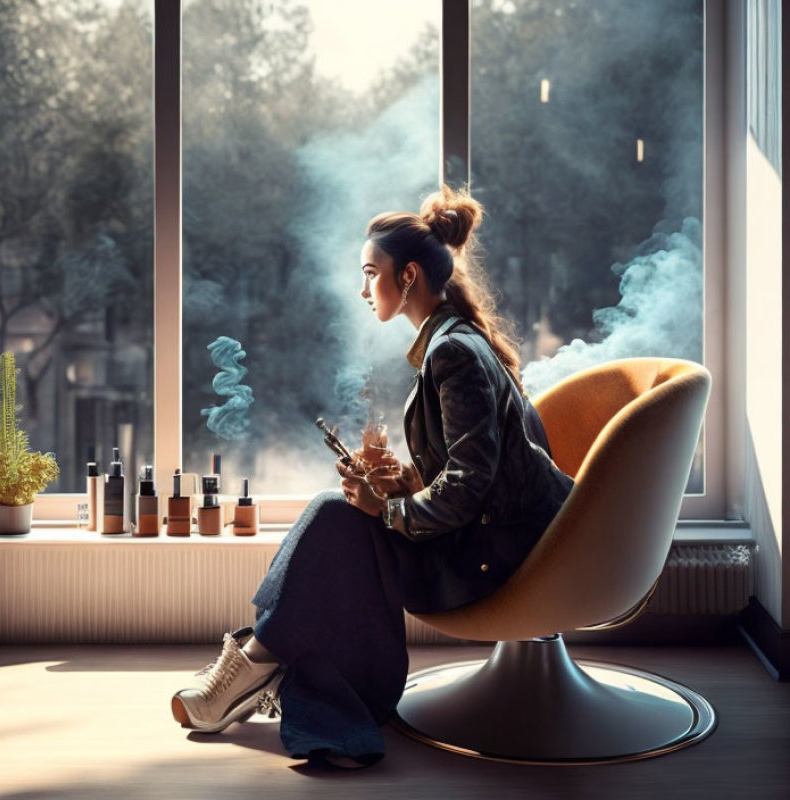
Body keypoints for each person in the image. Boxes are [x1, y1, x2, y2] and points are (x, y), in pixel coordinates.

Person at [170, 185, 575, 768]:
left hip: (495, 559)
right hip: (497, 538)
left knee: (337, 517)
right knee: (337, 515)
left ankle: (252, 665)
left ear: (408, 277)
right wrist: (402, 482)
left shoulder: (452, 353)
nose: (363, 290)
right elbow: (473, 467)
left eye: (370, 274)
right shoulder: (455, 337)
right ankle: (261, 664)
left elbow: (469, 484)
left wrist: (385, 510)